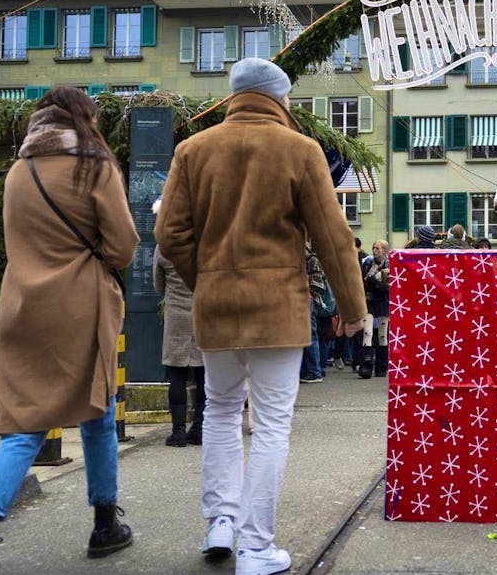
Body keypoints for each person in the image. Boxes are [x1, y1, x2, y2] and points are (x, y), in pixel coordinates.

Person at [155, 57, 366, 574]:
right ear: (279, 99)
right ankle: (255, 547)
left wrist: (207, 277)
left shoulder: (192, 150)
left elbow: (169, 235)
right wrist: (352, 310)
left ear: (233, 97)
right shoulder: (299, 149)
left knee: (221, 412)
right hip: (278, 306)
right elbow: (333, 238)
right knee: (271, 425)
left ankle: (220, 522)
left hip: (216, 305)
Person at [0, 87, 139, 574]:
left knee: (24, 424)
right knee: (98, 412)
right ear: (84, 119)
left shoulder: (18, 171)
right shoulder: (94, 166)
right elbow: (122, 246)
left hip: (21, 307)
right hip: (82, 307)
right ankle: (104, 522)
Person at [153, 198, 206, 447]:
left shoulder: (163, 248)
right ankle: (199, 429)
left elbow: (158, 285)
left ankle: (177, 432)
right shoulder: (203, 246)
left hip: (176, 315)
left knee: (176, 373)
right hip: (202, 314)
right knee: (203, 374)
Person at [359, 240, 391, 379]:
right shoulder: (367, 263)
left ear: (384, 250)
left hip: (383, 301)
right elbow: (362, 280)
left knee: (382, 335)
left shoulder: (389, 265)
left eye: (377, 248)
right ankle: (366, 364)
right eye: (373, 247)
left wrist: (374, 282)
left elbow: (389, 287)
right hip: (370, 301)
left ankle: (381, 366)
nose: (374, 250)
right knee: (367, 332)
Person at [299, 245, 327, 384]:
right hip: (309, 299)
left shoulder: (312, 260)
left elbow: (318, 284)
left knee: (311, 336)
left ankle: (314, 371)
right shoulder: (309, 260)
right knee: (310, 336)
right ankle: (314, 370)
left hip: (309, 299)